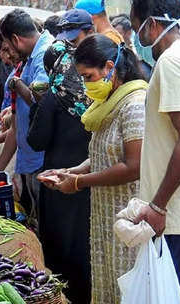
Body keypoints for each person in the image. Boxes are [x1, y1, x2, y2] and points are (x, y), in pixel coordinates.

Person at [40, 34, 148, 304]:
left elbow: (133, 166)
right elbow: (102, 155)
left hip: (126, 212)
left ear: (109, 68)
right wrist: (73, 171)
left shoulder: (133, 105)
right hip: (105, 210)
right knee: (107, 280)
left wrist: (79, 182)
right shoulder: (107, 104)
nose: (86, 85)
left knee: (126, 284)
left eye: (88, 77)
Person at [28, 9, 93, 304]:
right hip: (88, 179)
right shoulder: (95, 97)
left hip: (58, 180)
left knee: (60, 246)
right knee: (85, 242)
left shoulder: (54, 97)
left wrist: (35, 104)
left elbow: (36, 140)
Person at [130, 0, 180, 302]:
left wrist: (158, 205)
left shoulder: (171, 62)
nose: (137, 40)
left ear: (151, 24)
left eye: (135, 28)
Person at [0, 9, 54, 230]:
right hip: (30, 158)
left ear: (16, 39)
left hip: (43, 160)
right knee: (36, 220)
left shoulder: (44, 55)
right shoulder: (30, 59)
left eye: (8, 47)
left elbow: (41, 99)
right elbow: (18, 123)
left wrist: (17, 84)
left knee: (46, 225)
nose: (8, 56)